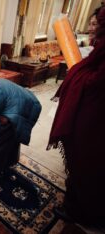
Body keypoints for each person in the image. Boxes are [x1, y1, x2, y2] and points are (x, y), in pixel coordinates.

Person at [48, 7, 105, 225]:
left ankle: (85, 214)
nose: (91, 28)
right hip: (90, 112)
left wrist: (77, 73)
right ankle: (74, 205)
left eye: (95, 24)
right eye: (90, 23)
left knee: (88, 165)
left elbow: (94, 82)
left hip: (94, 120)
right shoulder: (98, 49)